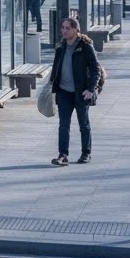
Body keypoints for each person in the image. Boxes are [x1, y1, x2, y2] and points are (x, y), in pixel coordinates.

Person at [48, 16, 101, 166]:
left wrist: (91, 89)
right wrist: (53, 87)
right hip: (64, 92)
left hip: (81, 92)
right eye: (62, 28)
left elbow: (96, 69)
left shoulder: (85, 47)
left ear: (76, 30)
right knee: (63, 124)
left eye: (67, 28)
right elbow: (56, 68)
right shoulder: (61, 46)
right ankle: (63, 154)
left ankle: (86, 153)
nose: (64, 31)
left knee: (83, 123)